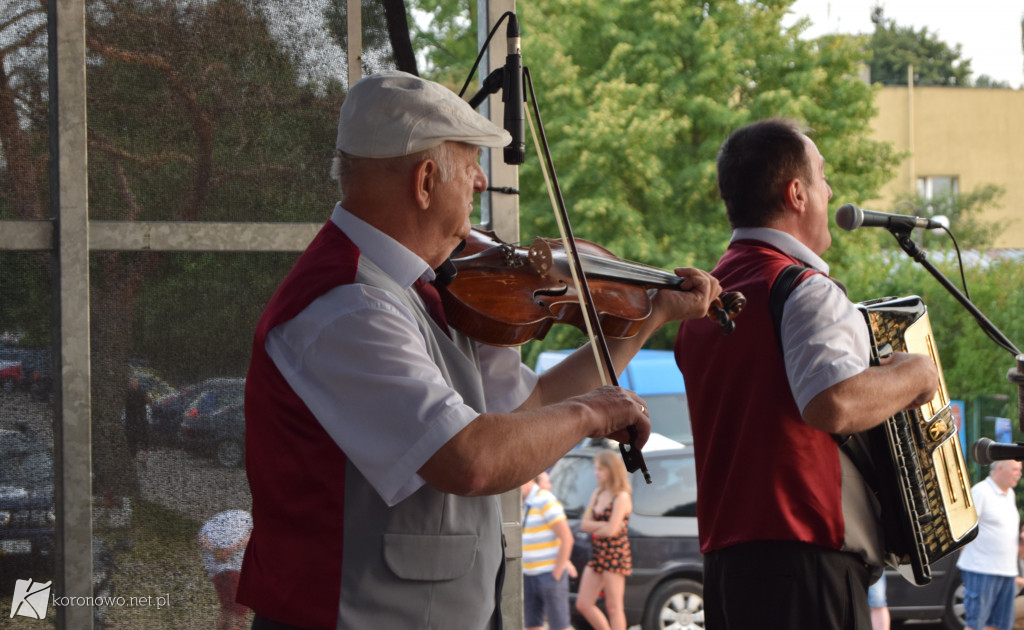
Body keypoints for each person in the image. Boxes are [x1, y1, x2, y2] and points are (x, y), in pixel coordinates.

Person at [236, 70, 721, 630]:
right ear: (424, 181)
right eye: (471, 167)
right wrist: (594, 412)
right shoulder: (348, 306)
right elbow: (469, 458)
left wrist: (651, 315)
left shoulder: (435, 287)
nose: (481, 185)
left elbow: (529, 405)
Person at [674, 118, 940, 630]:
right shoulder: (803, 288)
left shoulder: (701, 306)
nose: (830, 189)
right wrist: (917, 375)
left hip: (728, 566)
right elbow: (833, 403)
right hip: (804, 561)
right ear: (796, 193)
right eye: (821, 176)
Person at [956, 459, 1022, 630]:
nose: (1019, 473)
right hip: (981, 570)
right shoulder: (981, 492)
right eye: (1015, 469)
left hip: (1006, 571)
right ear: (1000, 468)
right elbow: (962, 530)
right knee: (975, 623)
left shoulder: (1010, 494)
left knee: (999, 624)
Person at [576, 450, 633, 630]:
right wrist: (604, 526)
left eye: (600, 469)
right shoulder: (598, 493)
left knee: (614, 607)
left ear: (611, 470)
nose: (596, 472)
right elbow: (584, 524)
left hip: (615, 555)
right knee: (583, 604)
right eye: (596, 468)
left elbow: (612, 530)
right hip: (598, 553)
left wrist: (602, 526)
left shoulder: (621, 496)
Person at [522, 472, 576, 630]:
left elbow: (567, 538)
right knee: (532, 624)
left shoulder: (545, 500)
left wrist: (557, 573)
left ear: (527, 481)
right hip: (529, 574)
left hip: (548, 574)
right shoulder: (524, 502)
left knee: (559, 625)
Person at [199, 510, 253, 630]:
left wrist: (216, 551)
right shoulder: (249, 520)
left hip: (217, 572)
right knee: (239, 611)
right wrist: (229, 550)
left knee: (227, 608)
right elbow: (250, 538)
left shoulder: (216, 521)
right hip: (234, 572)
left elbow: (202, 539)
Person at [123, 376, 150, 470]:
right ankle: (134, 460)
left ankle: (142, 456)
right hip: (132, 420)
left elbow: (147, 401)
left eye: (136, 381)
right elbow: (129, 405)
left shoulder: (141, 392)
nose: (135, 383)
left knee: (143, 438)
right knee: (132, 440)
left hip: (140, 419)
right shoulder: (128, 392)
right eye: (133, 381)